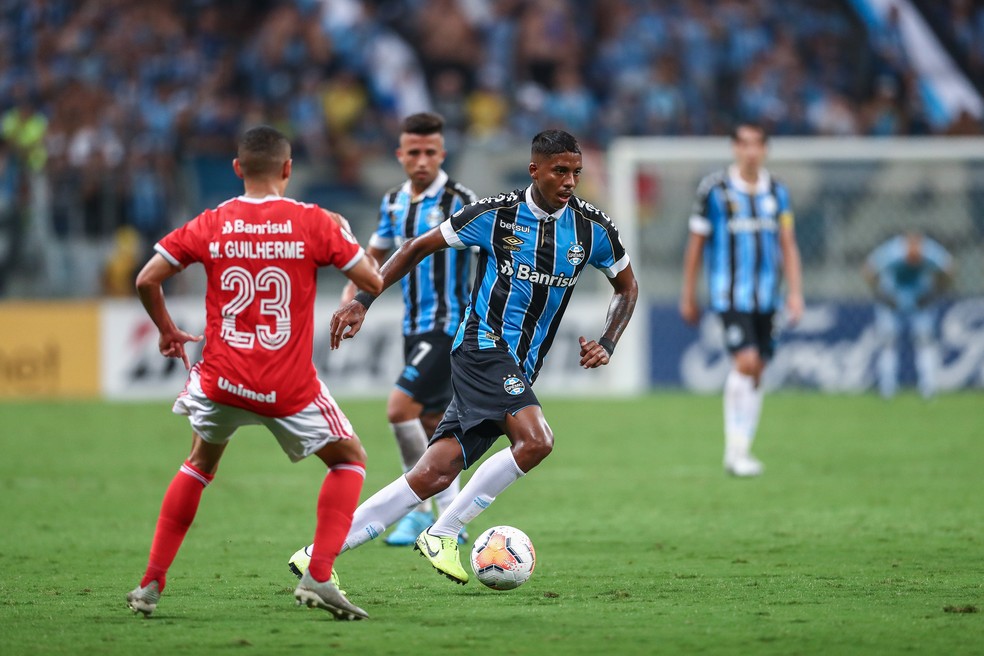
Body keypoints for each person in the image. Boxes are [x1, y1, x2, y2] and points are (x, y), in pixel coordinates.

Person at [305, 129, 637, 584]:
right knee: (537, 441)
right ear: (534, 169)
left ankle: (317, 554)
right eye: (560, 171)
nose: (570, 181)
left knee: (433, 474)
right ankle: (444, 531)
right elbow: (415, 247)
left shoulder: (591, 228)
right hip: (482, 345)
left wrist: (610, 339)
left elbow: (626, 286)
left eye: (576, 172)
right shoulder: (496, 216)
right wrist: (362, 300)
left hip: (519, 364)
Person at [126, 126, 382, 621]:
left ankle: (150, 583)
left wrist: (167, 329)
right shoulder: (313, 221)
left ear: (238, 168)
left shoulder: (213, 220)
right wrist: (343, 233)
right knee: (350, 459)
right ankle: (320, 575)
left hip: (221, 378)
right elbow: (370, 280)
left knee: (199, 463)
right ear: (288, 169)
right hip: (287, 386)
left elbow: (146, 278)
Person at [342, 112, 478, 547]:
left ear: (442, 154)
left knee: (400, 408)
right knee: (433, 421)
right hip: (412, 325)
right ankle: (450, 522)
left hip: (448, 325)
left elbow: (488, 254)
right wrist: (350, 300)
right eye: (413, 152)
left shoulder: (460, 199)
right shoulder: (393, 201)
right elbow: (373, 253)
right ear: (400, 155)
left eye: (430, 152)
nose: (422, 160)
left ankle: (417, 509)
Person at [679, 121, 804, 478]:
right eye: (744, 143)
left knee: (758, 369)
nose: (750, 150)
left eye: (757, 144)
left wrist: (795, 293)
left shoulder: (778, 192)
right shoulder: (714, 190)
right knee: (746, 363)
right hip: (729, 294)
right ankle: (734, 452)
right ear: (735, 148)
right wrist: (688, 293)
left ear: (765, 149)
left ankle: (744, 449)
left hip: (769, 297)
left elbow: (788, 244)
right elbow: (696, 243)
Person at [862, 231, 954, 398]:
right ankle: (887, 389)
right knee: (888, 343)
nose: (913, 262)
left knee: (924, 341)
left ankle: (928, 388)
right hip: (892, 300)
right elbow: (868, 270)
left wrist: (935, 294)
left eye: (916, 259)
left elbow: (950, 269)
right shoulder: (892, 252)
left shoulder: (931, 252)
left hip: (920, 300)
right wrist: (882, 296)